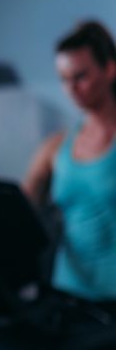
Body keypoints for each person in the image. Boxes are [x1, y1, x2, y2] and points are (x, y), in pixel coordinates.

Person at [22, 21, 116, 301]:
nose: (71, 88)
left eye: (80, 76)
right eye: (63, 79)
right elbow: (16, 214)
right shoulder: (55, 148)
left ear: (110, 69)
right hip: (69, 297)